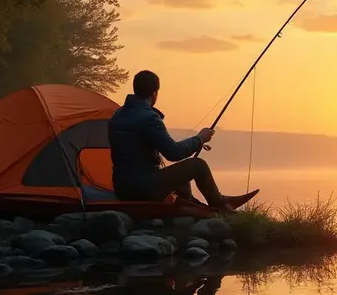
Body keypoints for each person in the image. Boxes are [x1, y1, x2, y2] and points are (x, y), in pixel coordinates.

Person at [108, 70, 258, 211]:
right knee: (198, 165)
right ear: (154, 93)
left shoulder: (117, 115)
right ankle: (218, 203)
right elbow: (174, 153)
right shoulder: (149, 117)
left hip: (122, 189)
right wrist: (200, 139)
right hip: (144, 188)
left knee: (180, 172)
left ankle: (189, 202)